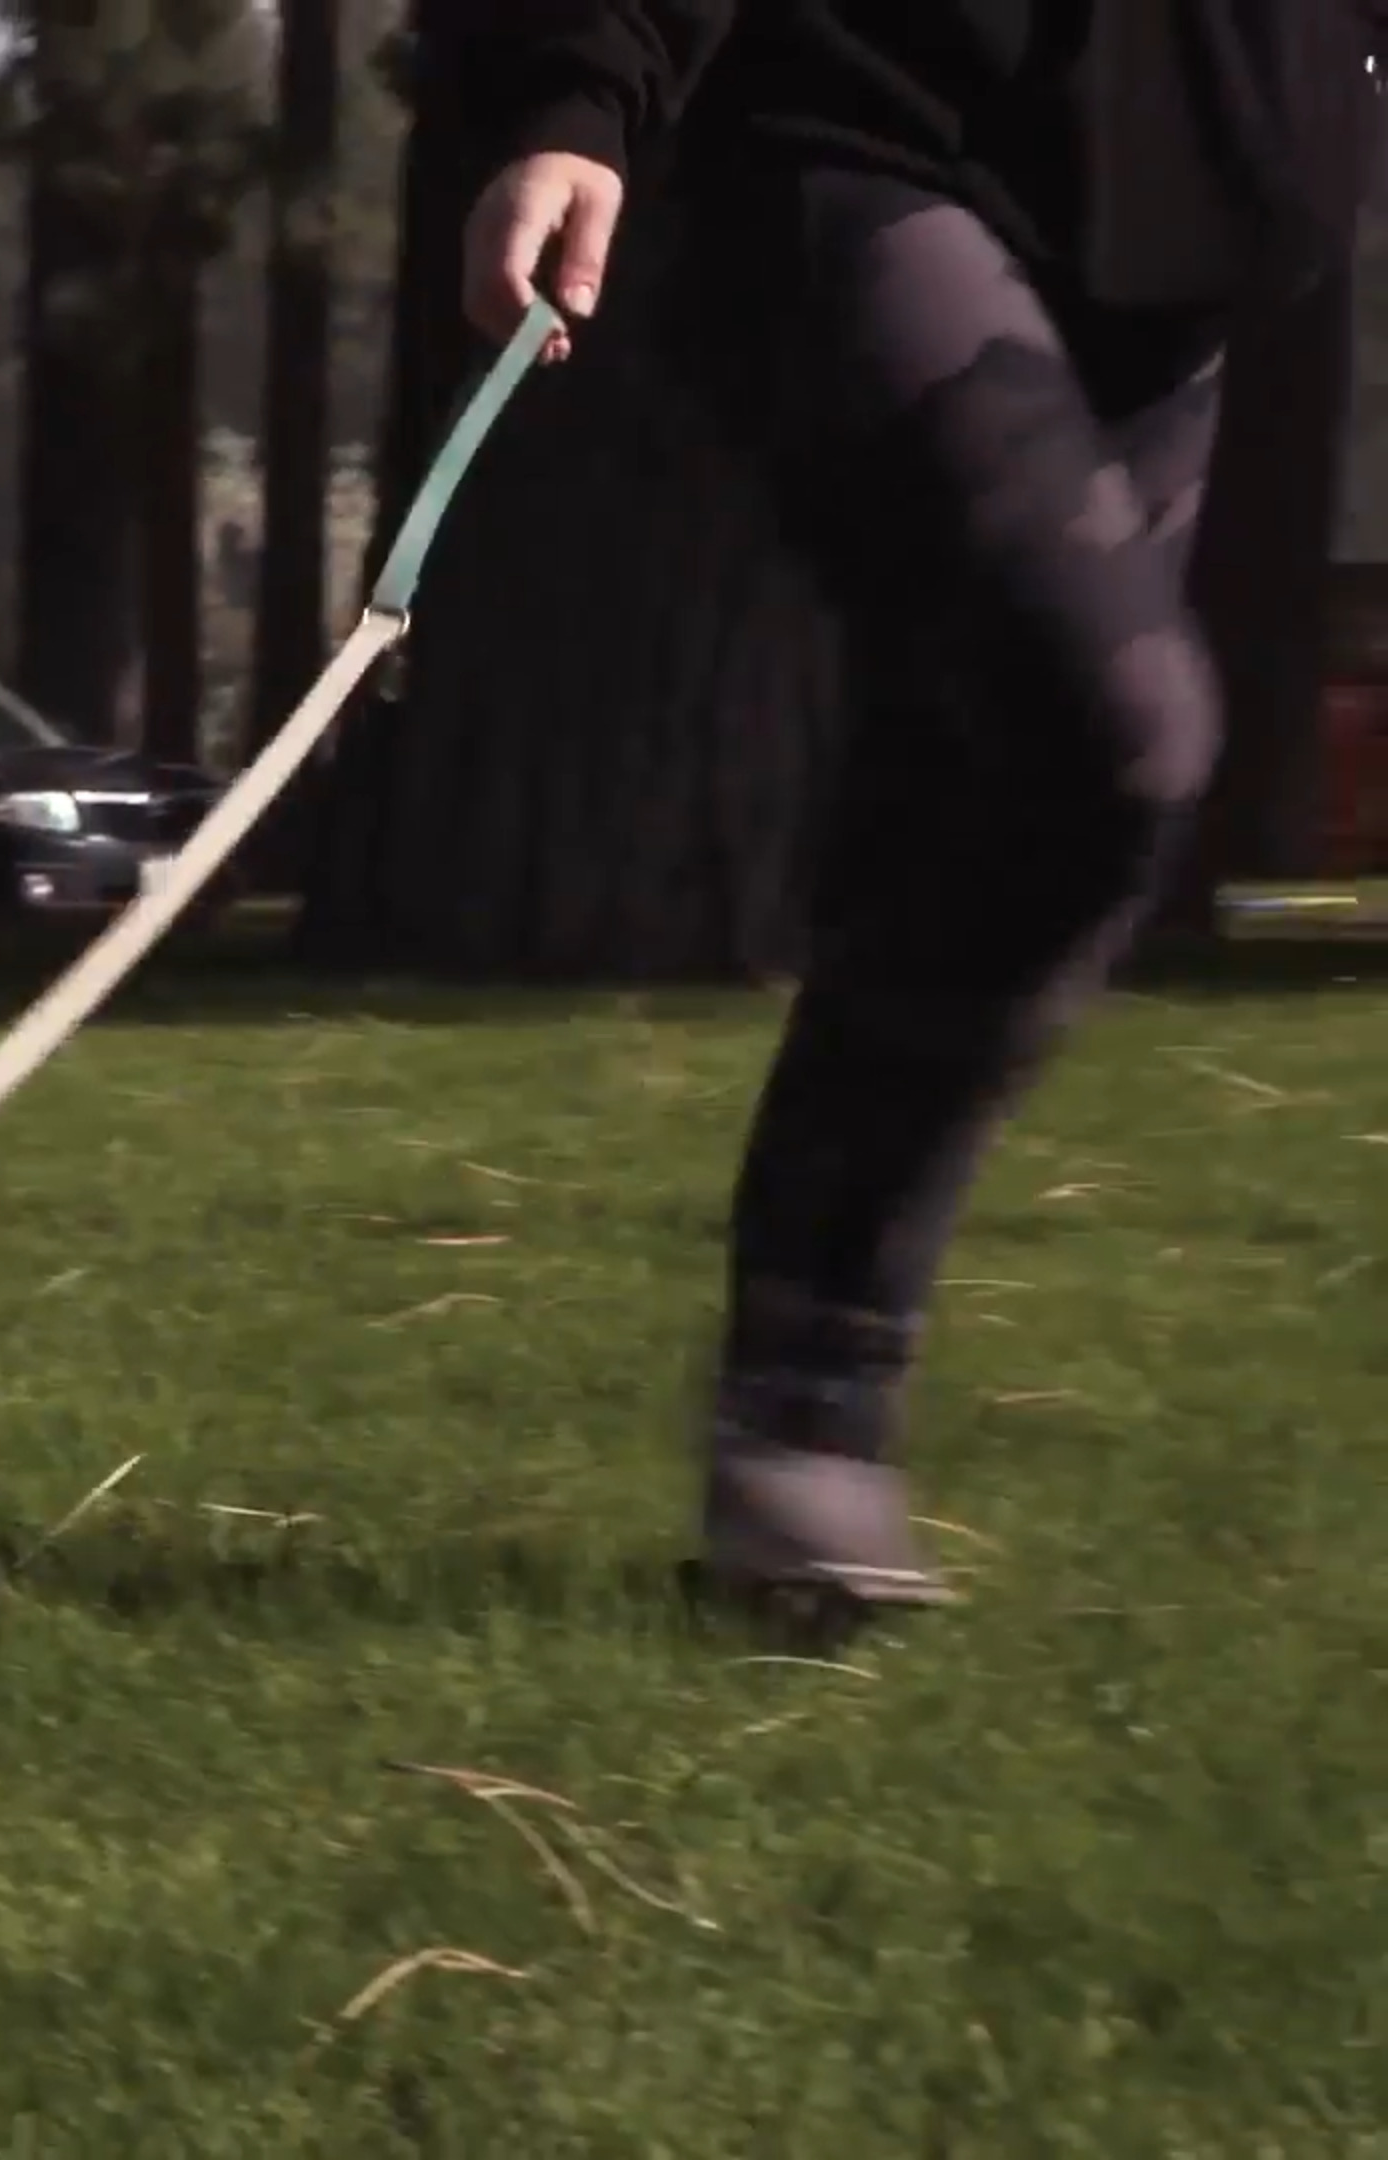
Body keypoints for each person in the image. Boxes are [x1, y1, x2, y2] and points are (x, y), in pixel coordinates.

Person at [453, 3, 1378, 1621]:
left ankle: (797, 1439)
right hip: (877, 145)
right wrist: (575, 100)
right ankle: (814, 1400)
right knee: (1122, 736)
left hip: (1187, 254)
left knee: (985, 802)